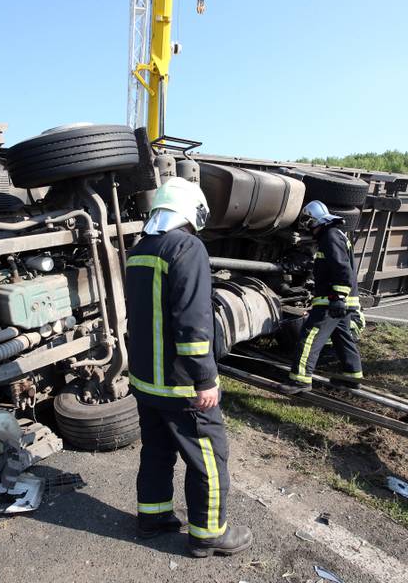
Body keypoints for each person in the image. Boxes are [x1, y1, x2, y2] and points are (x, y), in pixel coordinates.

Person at [125, 176, 252, 558]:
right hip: (182, 385)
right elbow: (193, 321)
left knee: (156, 452)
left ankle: (154, 517)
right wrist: (205, 378)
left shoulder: (140, 249)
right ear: (191, 210)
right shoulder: (186, 247)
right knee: (209, 459)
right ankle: (209, 534)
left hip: (146, 383)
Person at [286, 201, 363, 392]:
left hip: (331, 300)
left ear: (315, 221)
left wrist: (337, 296)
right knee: (342, 337)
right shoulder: (335, 235)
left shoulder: (330, 236)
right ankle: (352, 375)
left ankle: (300, 379)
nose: (308, 228)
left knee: (310, 336)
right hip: (338, 300)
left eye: (308, 223)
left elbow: (341, 268)